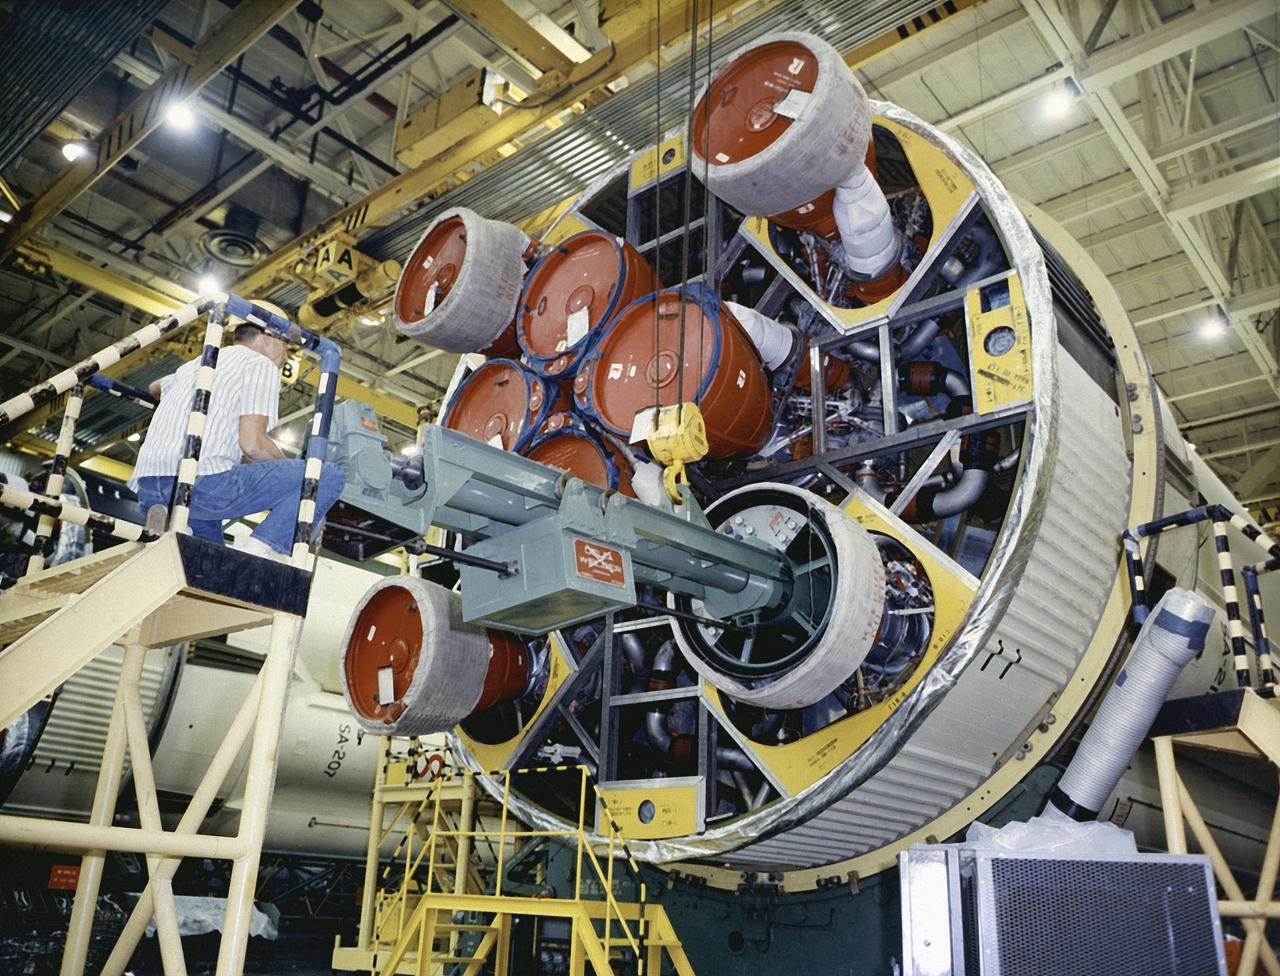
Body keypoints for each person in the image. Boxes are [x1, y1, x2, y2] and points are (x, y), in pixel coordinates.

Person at [129, 313, 345, 559]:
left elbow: (155, 388)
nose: (286, 357)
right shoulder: (258, 364)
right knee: (326, 475)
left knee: (212, 568)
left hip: (149, 485)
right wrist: (299, 480)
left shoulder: (197, 364)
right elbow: (253, 445)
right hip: (202, 484)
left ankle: (178, 526)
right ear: (268, 337)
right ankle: (262, 547)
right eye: (286, 347)